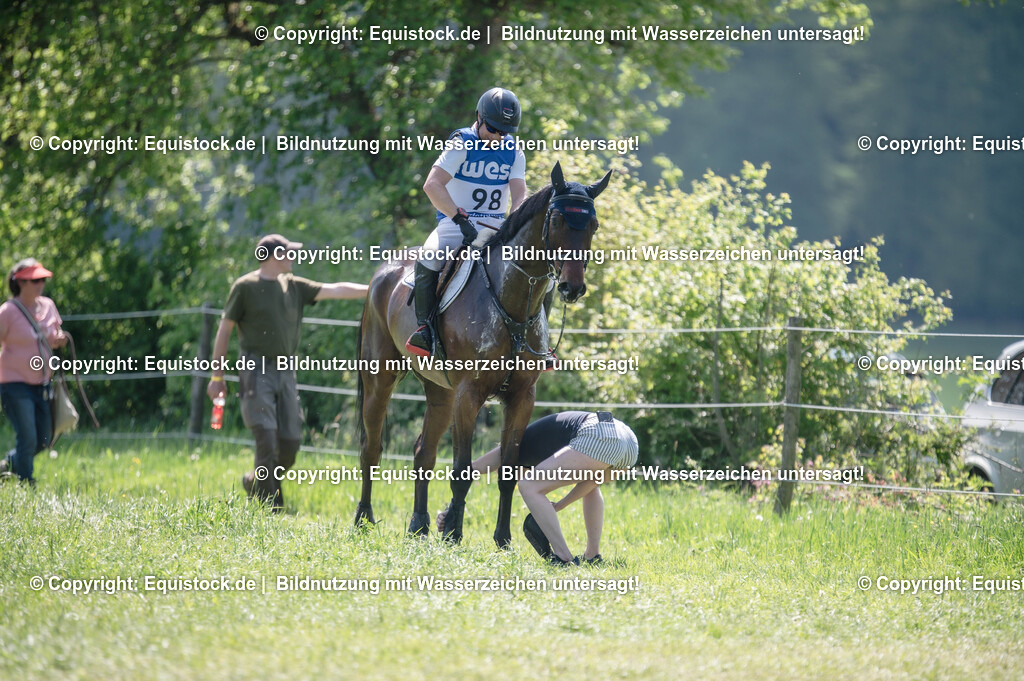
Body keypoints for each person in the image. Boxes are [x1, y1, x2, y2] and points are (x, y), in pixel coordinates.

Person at [207, 234, 368, 511]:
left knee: (290, 443)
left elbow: (335, 289)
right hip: (255, 369)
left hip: (286, 370)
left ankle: (255, 482)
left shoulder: (294, 286)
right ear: (272, 256)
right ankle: (272, 507)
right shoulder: (244, 287)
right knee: (266, 439)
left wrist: (376, 287)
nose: (293, 257)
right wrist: (217, 377)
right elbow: (224, 330)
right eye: (288, 252)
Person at [406, 86, 528, 357]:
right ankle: (425, 330)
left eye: (504, 132)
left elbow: (520, 193)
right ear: (479, 118)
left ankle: (537, 338)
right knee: (429, 255)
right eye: (493, 129)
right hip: (455, 223)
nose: (497, 137)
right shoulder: (461, 143)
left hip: (497, 226)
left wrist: (516, 222)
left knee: (540, 270)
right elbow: (432, 185)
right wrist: (459, 218)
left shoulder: (514, 150)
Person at [437, 411, 638, 565]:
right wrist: (558, 505)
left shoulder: (514, 447)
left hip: (598, 435)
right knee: (591, 483)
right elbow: (591, 482)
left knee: (528, 485)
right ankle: (592, 555)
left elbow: (472, 470)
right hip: (627, 441)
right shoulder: (543, 446)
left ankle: (563, 557)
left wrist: (451, 509)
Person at [0, 259, 68, 483]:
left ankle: (7, 464)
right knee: (28, 436)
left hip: (42, 383)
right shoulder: (8, 311)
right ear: (20, 282)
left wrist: (60, 340)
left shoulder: (48, 305)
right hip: (14, 383)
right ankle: (26, 482)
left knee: (44, 437)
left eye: (42, 279)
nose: (41, 284)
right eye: (35, 280)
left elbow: (55, 338)